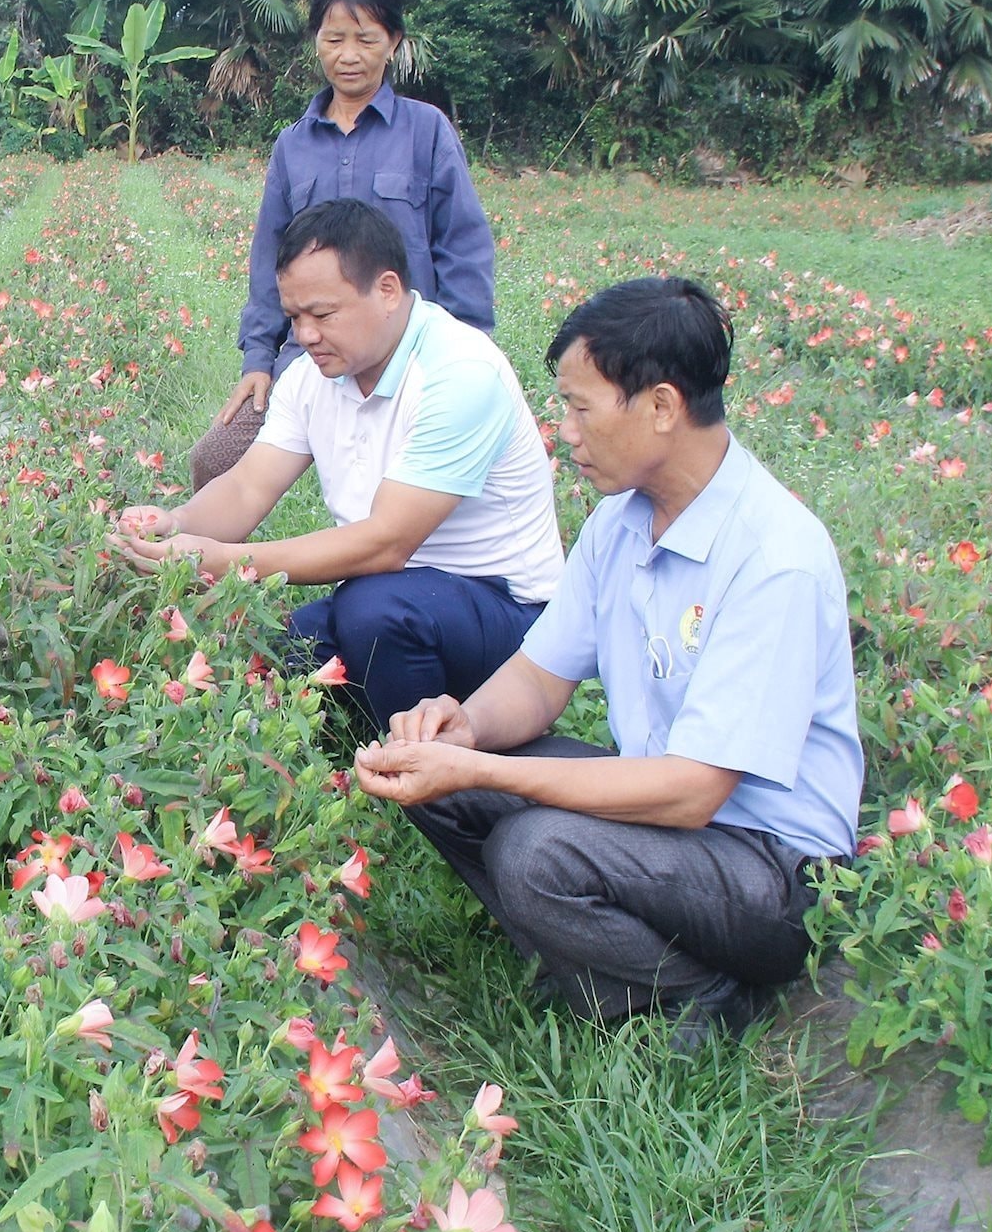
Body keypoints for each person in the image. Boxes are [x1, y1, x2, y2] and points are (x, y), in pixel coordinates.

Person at [350, 277, 861, 1051]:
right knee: (442, 779)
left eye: (580, 407)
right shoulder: (621, 524)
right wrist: (465, 726)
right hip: (674, 833)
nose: (565, 432)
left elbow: (692, 792)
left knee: (533, 850)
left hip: (773, 871)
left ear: (660, 406)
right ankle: (605, 966)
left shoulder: (772, 557)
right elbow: (539, 677)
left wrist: (484, 771)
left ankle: (703, 994)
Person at [117, 198, 563, 729]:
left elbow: (387, 543)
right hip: (392, 594)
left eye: (323, 314)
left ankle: (423, 773)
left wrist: (227, 560)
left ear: (388, 291)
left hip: (506, 617)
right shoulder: (313, 376)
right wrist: (180, 525)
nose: (305, 335)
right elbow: (247, 488)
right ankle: (357, 748)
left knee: (371, 613)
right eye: (294, 317)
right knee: (280, 650)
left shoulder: (459, 372)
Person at [189, 0, 497, 491]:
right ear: (317, 43)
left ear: (393, 41)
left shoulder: (427, 132)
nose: (348, 55)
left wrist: (467, 354)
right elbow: (270, 258)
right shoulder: (294, 145)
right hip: (310, 354)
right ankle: (206, 570)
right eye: (334, 39)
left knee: (400, 491)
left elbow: (463, 247)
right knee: (215, 463)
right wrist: (259, 360)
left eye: (366, 39)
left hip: (407, 355)